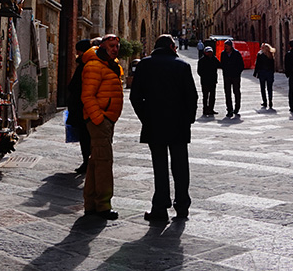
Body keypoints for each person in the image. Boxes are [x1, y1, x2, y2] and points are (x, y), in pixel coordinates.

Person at [129, 34, 199, 222]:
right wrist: (188, 120)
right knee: (181, 165)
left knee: (159, 166)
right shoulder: (182, 66)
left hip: (154, 123)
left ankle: (160, 208)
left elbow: (135, 97)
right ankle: (182, 206)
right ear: (171, 47)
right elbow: (192, 97)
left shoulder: (144, 65)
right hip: (178, 124)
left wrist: (146, 118)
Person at [80, 33, 124, 220]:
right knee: (104, 162)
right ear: (103, 47)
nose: (115, 49)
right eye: (111, 46)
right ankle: (103, 206)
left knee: (95, 162)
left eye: (117, 46)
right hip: (100, 121)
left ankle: (91, 204)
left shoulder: (110, 65)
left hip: (107, 119)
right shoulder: (94, 66)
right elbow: (87, 95)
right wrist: (99, 119)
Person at [66, 39, 93, 173]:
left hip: (82, 107)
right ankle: (89, 162)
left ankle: (87, 162)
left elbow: (74, 86)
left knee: (85, 136)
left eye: (78, 51)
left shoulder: (84, 65)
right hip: (87, 107)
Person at [219, 39, 245, 118]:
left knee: (236, 91)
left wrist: (237, 73)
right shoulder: (223, 54)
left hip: (235, 76)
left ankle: (237, 108)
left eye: (227, 46)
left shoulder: (236, 53)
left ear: (231, 46)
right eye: (225, 46)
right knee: (227, 93)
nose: (225, 47)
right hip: (227, 76)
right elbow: (222, 64)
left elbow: (241, 65)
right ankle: (229, 109)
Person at [196, 46, 220, 116]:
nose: (209, 53)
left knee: (212, 96)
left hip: (213, 81)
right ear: (205, 52)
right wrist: (204, 76)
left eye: (210, 52)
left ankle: (211, 109)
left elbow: (219, 65)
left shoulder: (214, 59)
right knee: (205, 96)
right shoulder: (202, 60)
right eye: (208, 52)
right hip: (205, 81)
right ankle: (205, 109)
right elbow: (199, 71)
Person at [253, 43, 276, 109]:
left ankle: (265, 102)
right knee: (270, 88)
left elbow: (257, 65)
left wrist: (255, 73)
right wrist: (272, 72)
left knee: (263, 88)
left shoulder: (260, 55)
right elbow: (273, 65)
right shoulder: (271, 55)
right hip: (269, 73)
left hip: (262, 73)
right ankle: (270, 101)